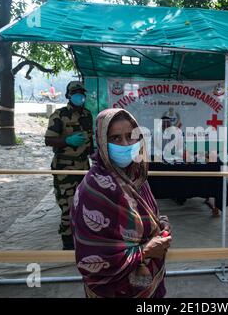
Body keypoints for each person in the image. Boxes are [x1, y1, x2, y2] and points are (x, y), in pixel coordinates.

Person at [70, 108, 172, 298]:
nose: (126, 144)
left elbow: (150, 215)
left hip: (148, 285)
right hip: (115, 291)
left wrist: (161, 226)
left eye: (130, 136)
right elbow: (90, 259)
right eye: (116, 138)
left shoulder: (137, 177)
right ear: (101, 141)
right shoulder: (93, 190)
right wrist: (144, 251)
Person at [44, 81, 93, 250]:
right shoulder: (59, 115)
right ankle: (68, 244)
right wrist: (66, 140)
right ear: (68, 96)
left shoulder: (87, 115)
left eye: (81, 93)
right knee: (68, 206)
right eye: (76, 93)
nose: (80, 96)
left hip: (84, 165)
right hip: (64, 167)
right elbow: (48, 140)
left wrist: (95, 157)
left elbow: (90, 141)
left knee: (84, 204)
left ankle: (82, 238)